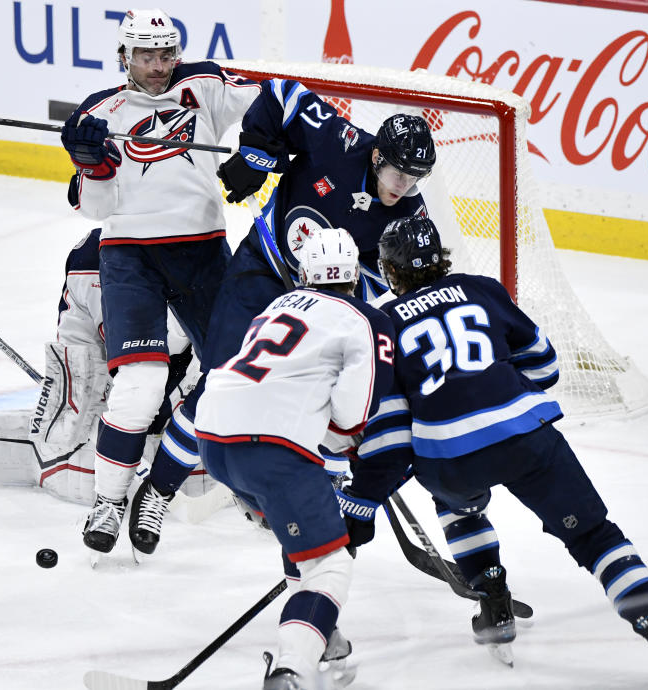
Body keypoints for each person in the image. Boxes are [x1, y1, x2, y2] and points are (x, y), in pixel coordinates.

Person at [347, 215, 648, 683]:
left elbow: (393, 418)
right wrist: (499, 389)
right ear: (441, 258)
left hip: (448, 458)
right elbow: (545, 364)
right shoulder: (480, 288)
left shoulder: (383, 321)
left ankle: (492, 601)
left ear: (390, 271)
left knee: (459, 508)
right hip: (526, 437)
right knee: (596, 538)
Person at [134, 82, 437, 555]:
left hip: (320, 303)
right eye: (399, 173)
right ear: (377, 155)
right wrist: (257, 151)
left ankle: (299, 498)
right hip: (262, 270)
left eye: (415, 179)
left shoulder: (408, 216)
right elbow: (280, 92)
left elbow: (392, 284)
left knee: (316, 402)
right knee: (218, 383)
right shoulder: (339, 142)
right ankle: (158, 490)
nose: (404, 187)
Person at [58, 8, 261, 558]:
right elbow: (93, 209)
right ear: (124, 56)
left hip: (201, 253)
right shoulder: (101, 111)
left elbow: (274, 101)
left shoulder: (205, 85)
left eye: (166, 54)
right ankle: (108, 501)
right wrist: (91, 166)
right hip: (129, 257)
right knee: (140, 387)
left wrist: (260, 154)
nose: (158, 66)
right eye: (146, 55)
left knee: (228, 379)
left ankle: (161, 490)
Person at [195, 228, 396, 689]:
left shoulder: (275, 306)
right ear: (355, 277)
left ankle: (322, 639)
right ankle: (294, 668)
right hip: (273, 447)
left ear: (303, 275)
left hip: (213, 437)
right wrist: (346, 442)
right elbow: (353, 413)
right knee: (331, 562)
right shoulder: (364, 318)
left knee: (301, 539)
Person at [0, 227, 198, 505]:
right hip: (103, 360)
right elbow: (107, 351)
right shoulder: (95, 259)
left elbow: (208, 356)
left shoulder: (200, 255)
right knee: (70, 433)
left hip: (166, 358)